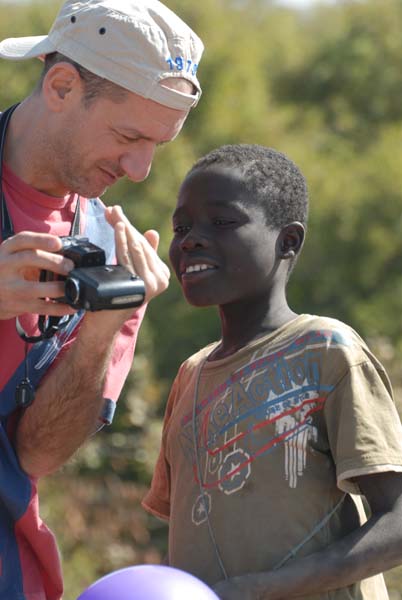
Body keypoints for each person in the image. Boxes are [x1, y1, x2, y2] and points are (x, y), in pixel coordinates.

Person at [0, 0, 204, 598]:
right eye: (128, 136)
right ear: (61, 85)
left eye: (157, 145)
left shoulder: (111, 256)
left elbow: (35, 455)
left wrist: (104, 326)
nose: (141, 170)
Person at [142, 144, 402, 600]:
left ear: (288, 241)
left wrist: (261, 589)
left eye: (221, 222)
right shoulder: (191, 376)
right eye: (181, 227)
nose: (190, 240)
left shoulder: (326, 350)